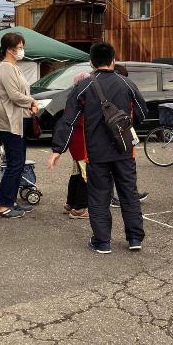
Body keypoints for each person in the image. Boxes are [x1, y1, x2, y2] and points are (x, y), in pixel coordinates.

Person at [48, 42, 148, 254]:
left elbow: (69, 120)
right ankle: (135, 238)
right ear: (113, 60)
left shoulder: (83, 87)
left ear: (91, 63)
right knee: (128, 193)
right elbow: (142, 112)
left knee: (99, 196)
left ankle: (102, 242)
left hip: (95, 152)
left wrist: (58, 149)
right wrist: (127, 127)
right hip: (124, 150)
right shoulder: (127, 83)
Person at [0, 32, 38, 219]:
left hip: (18, 120)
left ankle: (9, 201)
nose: (22, 50)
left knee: (17, 164)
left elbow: (19, 95)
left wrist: (29, 104)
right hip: (10, 123)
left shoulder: (13, 67)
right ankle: (2, 205)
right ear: (10, 49)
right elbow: (14, 95)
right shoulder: (6, 68)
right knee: (15, 164)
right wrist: (32, 101)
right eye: (20, 47)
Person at [110, 63, 148, 208]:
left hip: (119, 133)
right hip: (121, 132)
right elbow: (141, 111)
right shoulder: (123, 89)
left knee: (122, 166)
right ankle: (121, 196)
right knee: (121, 166)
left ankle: (129, 194)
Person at [64, 71, 90, 220]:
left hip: (75, 140)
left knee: (76, 173)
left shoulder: (71, 95)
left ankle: (70, 203)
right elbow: (84, 121)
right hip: (82, 141)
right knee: (85, 175)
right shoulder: (83, 98)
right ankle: (79, 208)